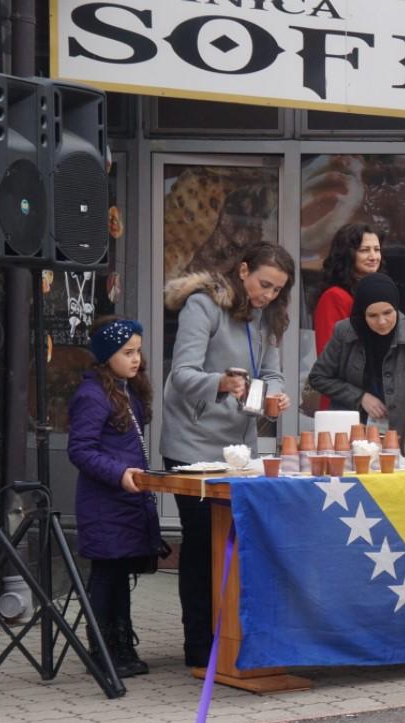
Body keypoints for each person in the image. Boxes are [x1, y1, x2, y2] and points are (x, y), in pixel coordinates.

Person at [161, 241, 295, 667]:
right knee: (201, 542)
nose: (269, 295)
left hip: (238, 448)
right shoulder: (203, 306)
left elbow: (271, 373)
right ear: (242, 271)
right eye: (264, 284)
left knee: (235, 542)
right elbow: (182, 374)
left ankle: (232, 634)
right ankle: (198, 645)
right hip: (191, 442)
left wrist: (272, 398)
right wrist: (221, 382)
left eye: (278, 290)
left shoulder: (267, 316)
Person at [67, 318, 161, 679]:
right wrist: (119, 474)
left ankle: (122, 643)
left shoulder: (125, 391)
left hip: (125, 502)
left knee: (121, 573)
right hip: (105, 504)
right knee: (106, 575)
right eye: (128, 352)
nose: (137, 359)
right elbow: (80, 450)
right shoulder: (92, 396)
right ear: (107, 356)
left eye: (138, 351)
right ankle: (103, 647)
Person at [308, 273, 405, 434]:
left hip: (399, 432)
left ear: (396, 307)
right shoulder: (345, 332)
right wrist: (360, 397)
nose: (381, 322)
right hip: (348, 431)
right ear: (362, 314)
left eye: (388, 313)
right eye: (372, 315)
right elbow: (318, 377)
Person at [313, 223, 384, 358]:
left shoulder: (379, 292)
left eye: (377, 249)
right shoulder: (334, 296)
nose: (373, 256)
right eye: (364, 250)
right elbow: (329, 356)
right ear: (347, 254)